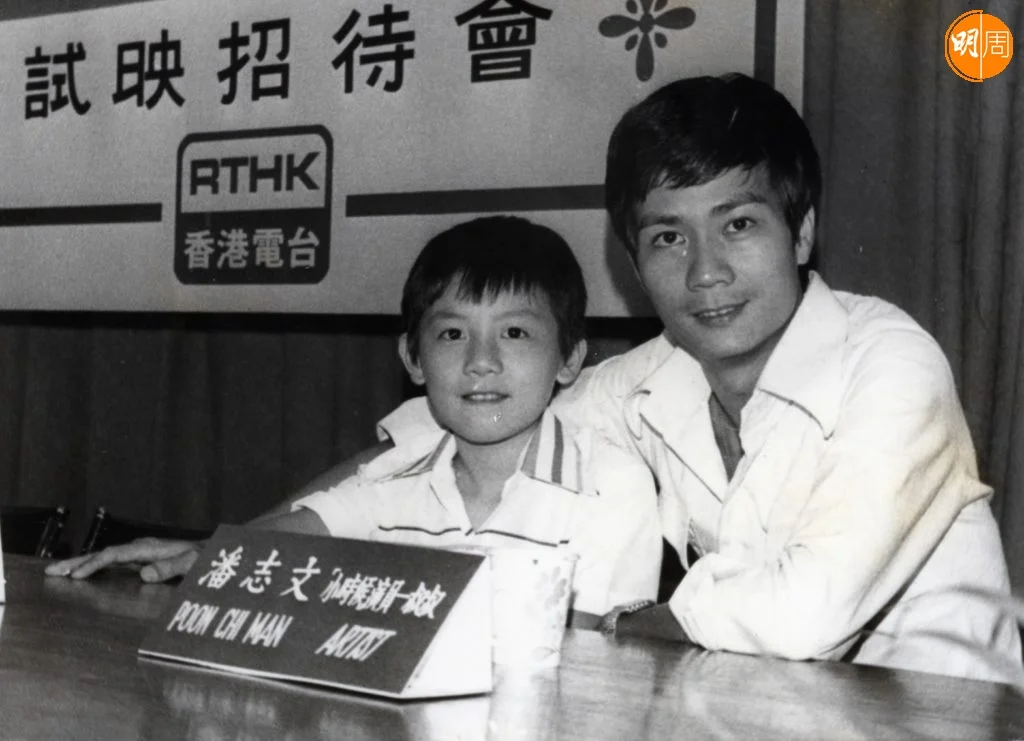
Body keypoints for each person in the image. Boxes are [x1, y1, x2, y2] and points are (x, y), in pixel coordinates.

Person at [334, 73, 1024, 681]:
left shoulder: (890, 362)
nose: (705, 272)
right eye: (668, 237)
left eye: (738, 225)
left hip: (952, 716)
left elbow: (806, 613)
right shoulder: (650, 380)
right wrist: (319, 508)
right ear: (635, 267)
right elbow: (489, 414)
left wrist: (635, 625)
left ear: (802, 233)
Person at [49, 215, 663, 629]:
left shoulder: (612, 486)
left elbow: (592, 668)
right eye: (452, 334)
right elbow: (290, 535)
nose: (482, 361)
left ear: (571, 358)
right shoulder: (394, 478)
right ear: (412, 359)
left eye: (516, 333)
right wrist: (199, 552)